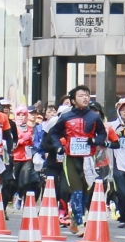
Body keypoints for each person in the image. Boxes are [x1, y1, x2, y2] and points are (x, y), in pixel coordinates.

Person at [46, 86, 109, 227]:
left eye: (87, 95)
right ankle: (80, 223)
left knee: (86, 189)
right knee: (76, 190)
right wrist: (58, 147)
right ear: (73, 100)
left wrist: (94, 141)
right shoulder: (66, 117)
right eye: (81, 96)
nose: (85, 98)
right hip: (71, 158)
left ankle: (77, 214)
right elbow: (55, 133)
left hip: (88, 159)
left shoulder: (94, 117)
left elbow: (102, 134)